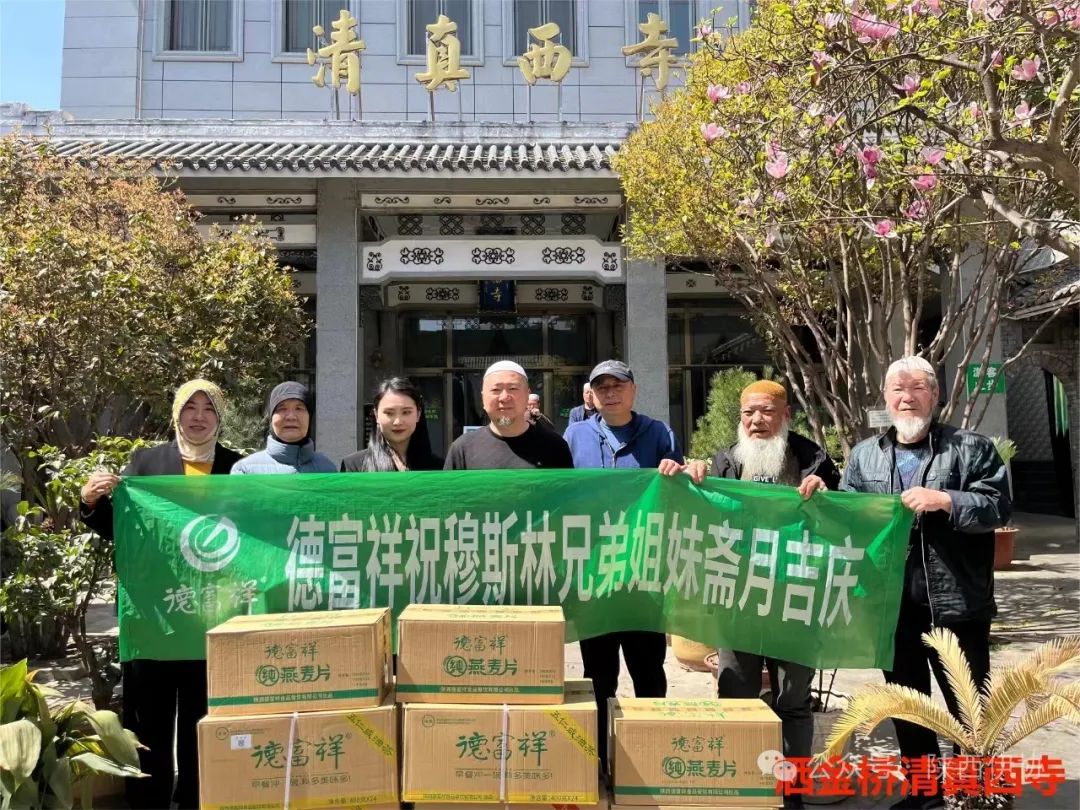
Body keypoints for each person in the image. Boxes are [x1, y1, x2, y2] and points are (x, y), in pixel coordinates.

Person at [842, 356, 1011, 810]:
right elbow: (850, 518)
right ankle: (924, 792)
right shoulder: (864, 455)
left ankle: (974, 793)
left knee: (968, 707)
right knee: (908, 705)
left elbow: (997, 507)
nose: (907, 397)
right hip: (892, 607)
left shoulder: (971, 448)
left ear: (934, 395)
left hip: (956, 603)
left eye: (917, 387)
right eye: (897, 389)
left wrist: (945, 499)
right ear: (885, 397)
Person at [78, 379, 241, 810]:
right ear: (176, 413)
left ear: (220, 417)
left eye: (209, 408)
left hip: (213, 613)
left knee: (203, 718)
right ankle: (148, 800)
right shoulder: (147, 463)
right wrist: (91, 502)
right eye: (191, 407)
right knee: (148, 718)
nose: (199, 416)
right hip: (157, 613)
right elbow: (122, 529)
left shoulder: (237, 469)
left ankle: (196, 799)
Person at [562, 359, 706, 770]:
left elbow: (679, 493)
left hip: (646, 577)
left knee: (649, 673)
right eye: (601, 387)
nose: (610, 393)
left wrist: (684, 470)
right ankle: (598, 765)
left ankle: (650, 760)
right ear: (591, 395)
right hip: (595, 577)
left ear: (633, 390)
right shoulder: (575, 436)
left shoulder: (659, 434)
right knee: (598, 675)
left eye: (618, 385)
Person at [710, 379, 841, 810]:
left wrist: (827, 496)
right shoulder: (725, 461)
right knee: (736, 697)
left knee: (793, 701)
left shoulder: (814, 462)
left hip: (795, 598)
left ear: (786, 415)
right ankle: (741, 788)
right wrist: (690, 478)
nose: (757, 420)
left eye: (766, 411)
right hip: (739, 599)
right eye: (748, 412)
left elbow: (843, 519)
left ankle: (793, 792)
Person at [444, 361, 573, 470]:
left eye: (513, 388)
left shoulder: (555, 447)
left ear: (527, 395)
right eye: (496, 390)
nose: (504, 397)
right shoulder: (462, 449)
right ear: (483, 398)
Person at [232, 381, 335, 474]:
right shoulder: (246, 470)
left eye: (299, 408)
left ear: (310, 417)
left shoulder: (327, 469)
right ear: (271, 418)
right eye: (282, 409)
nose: (291, 417)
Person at [341, 377, 442, 471]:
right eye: (389, 413)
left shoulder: (438, 467)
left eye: (406, 412)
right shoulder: (353, 466)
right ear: (376, 415)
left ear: (418, 414)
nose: (398, 422)